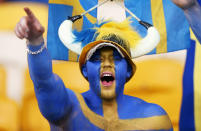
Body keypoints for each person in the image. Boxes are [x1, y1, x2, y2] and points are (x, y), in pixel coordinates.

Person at [15, 0, 200, 130]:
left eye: (116, 58)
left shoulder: (155, 119)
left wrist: (192, 9)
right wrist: (35, 41)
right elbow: (44, 82)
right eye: (96, 59)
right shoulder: (69, 108)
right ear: (85, 70)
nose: (107, 64)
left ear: (129, 70)